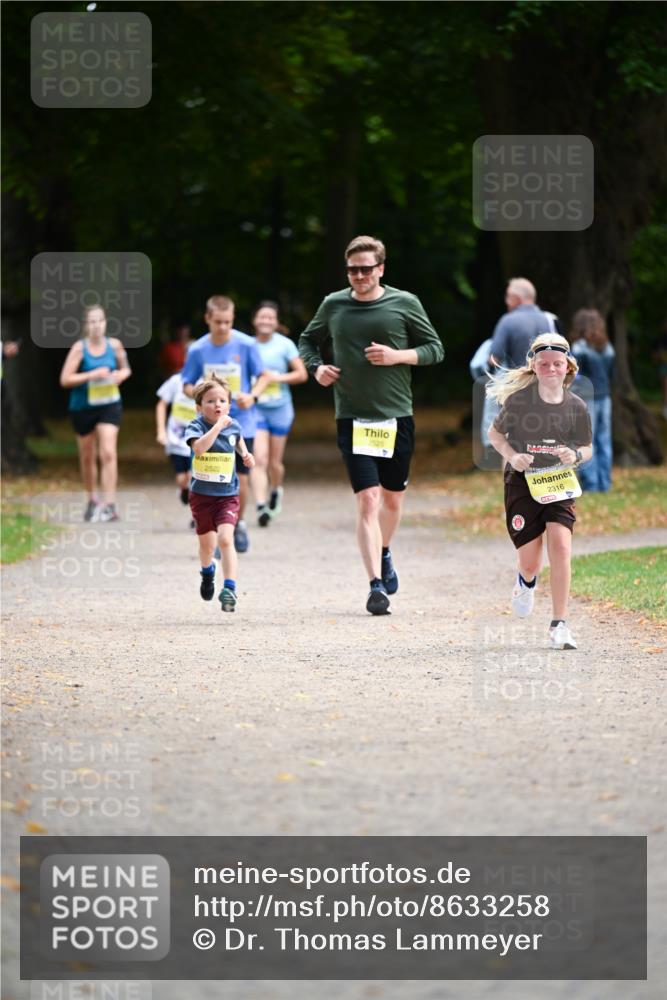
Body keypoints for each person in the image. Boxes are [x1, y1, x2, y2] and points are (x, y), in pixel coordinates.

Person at [299, 234, 444, 615]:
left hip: (396, 415)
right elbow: (306, 340)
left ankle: (384, 549)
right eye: (352, 269)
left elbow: (435, 349)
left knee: (392, 500)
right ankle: (375, 585)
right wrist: (317, 369)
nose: (359, 276)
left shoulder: (404, 303)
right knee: (368, 500)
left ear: (381, 269)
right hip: (352, 416)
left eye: (366, 269)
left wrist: (397, 355)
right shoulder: (333, 304)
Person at [486, 332, 593, 650]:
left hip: (559, 481)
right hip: (523, 482)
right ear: (533, 366)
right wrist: (513, 456)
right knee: (530, 562)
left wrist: (574, 456)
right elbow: (495, 434)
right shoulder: (519, 402)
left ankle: (560, 624)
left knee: (561, 546)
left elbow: (587, 448)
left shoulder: (576, 406)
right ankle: (526, 581)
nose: (551, 369)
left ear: (568, 367)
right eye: (544, 364)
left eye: (557, 364)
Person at [181, 295, 270, 553]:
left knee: (241, 479)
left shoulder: (246, 344)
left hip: (241, 423)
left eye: (228, 322)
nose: (223, 327)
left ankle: (237, 523)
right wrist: (201, 395)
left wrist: (251, 396)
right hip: (208, 427)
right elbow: (186, 383)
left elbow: (264, 375)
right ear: (207, 319)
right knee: (213, 477)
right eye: (218, 322)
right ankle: (217, 530)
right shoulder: (198, 349)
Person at [184, 376, 255, 612]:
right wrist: (217, 427)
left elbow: (237, 439)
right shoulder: (196, 426)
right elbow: (199, 449)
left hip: (227, 494)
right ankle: (207, 573)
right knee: (206, 546)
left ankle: (230, 589)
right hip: (202, 496)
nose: (217, 405)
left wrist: (245, 454)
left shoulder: (232, 424)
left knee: (225, 539)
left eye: (222, 400)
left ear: (229, 405)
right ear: (198, 407)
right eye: (210, 401)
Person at [59, 304, 131, 522]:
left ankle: (109, 504)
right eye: (92, 321)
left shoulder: (115, 345)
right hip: (83, 407)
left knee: (108, 452)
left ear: (106, 323)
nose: (97, 325)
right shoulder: (79, 349)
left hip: (109, 404)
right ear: (86, 325)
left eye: (100, 320)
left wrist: (121, 375)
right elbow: (65, 379)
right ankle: (92, 499)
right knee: (87, 455)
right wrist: (91, 375)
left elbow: (127, 368)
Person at [251, 300, 308, 525]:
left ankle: (276, 489)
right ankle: (260, 505)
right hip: (256, 409)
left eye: (270, 318)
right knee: (258, 459)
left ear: (276, 322)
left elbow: (301, 374)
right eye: (262, 317)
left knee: (275, 462)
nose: (265, 321)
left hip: (280, 408)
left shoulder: (285, 345)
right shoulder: (248, 345)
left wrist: (275, 378)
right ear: (255, 320)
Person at [570, 308, 615, 492]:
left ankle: (590, 484)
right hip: (605, 398)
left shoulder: (579, 347)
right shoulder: (607, 347)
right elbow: (612, 374)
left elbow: (575, 375)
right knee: (604, 441)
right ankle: (605, 483)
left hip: (587, 399)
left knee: (585, 441)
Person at [155, 370, 198, 521]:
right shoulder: (176, 380)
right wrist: (161, 431)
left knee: (194, 477)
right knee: (182, 478)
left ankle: (196, 517)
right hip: (176, 440)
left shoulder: (207, 382)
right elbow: (161, 404)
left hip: (197, 442)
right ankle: (183, 489)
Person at [489, 278, 555, 370]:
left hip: (518, 382)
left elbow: (494, 360)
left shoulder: (508, 320)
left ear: (516, 298)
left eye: (508, 296)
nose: (506, 301)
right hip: (545, 382)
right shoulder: (550, 320)